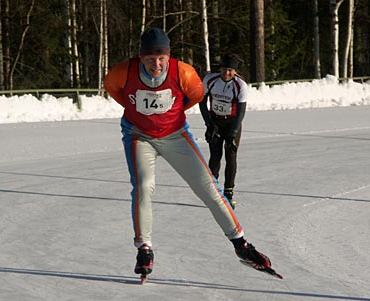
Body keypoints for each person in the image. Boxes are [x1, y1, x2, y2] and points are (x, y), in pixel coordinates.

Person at [104, 28, 273, 280]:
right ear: (140, 57)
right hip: (139, 136)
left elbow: (195, 95)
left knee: (209, 188)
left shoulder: (182, 72)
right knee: (143, 186)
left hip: (175, 136)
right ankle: (144, 249)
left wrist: (169, 114)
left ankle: (242, 245)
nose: (156, 64)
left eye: (161, 58)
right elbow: (115, 91)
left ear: (169, 56)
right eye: (150, 59)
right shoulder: (122, 72)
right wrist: (142, 116)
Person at [199, 53, 248, 209]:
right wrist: (209, 124)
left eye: (230, 70)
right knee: (215, 156)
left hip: (232, 123)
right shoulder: (210, 80)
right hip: (215, 122)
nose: (226, 73)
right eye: (224, 70)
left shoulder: (240, 85)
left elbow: (241, 111)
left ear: (235, 71)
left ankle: (228, 193)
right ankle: (213, 192)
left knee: (230, 155)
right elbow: (202, 103)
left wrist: (233, 133)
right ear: (219, 69)